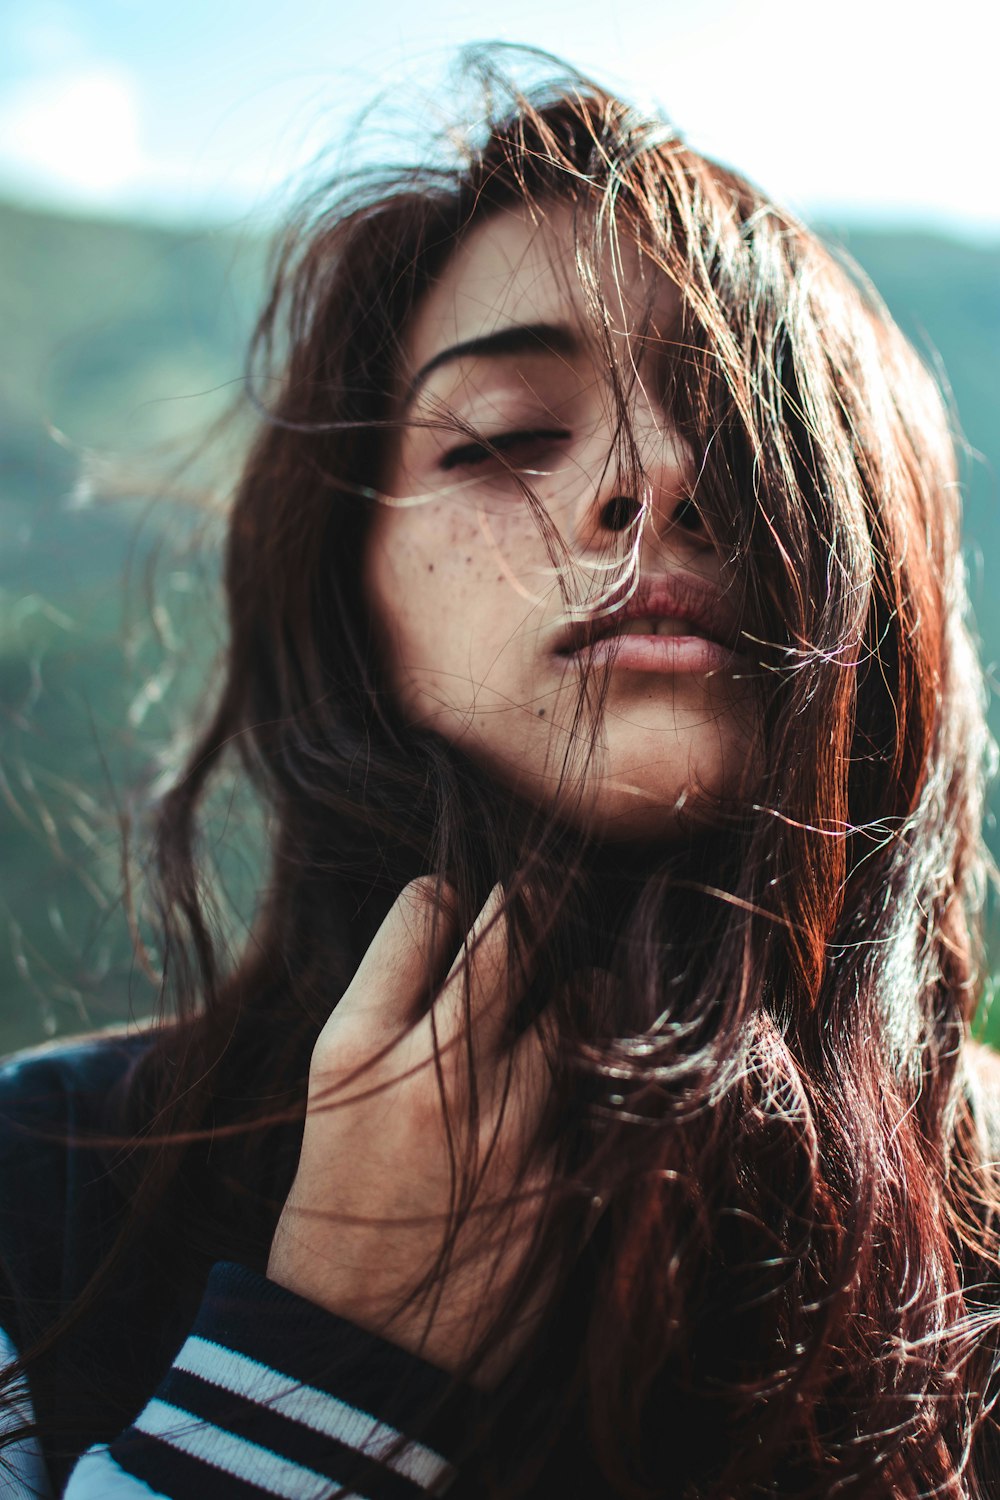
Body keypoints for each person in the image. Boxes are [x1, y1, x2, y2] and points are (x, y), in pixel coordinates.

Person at [2, 50, 1000, 1500]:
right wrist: (319, 1360)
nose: (658, 475)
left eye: (747, 430)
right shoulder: (36, 1184)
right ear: (353, 596)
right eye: (507, 438)